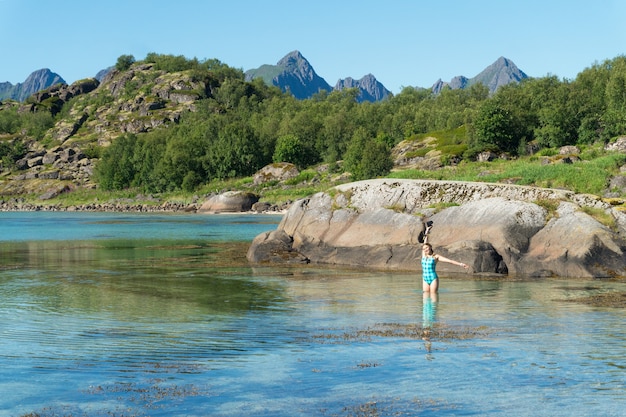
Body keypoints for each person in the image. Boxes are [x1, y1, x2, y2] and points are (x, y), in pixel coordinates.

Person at [420, 222, 469, 293]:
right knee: (425, 297)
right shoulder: (424, 255)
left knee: (433, 296)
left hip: (433, 278)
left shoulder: (436, 256)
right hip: (425, 278)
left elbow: (449, 261)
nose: (425, 249)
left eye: (427, 248)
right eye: (424, 249)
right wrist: (427, 230)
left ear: (430, 247)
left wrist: (461, 264)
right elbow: (425, 242)